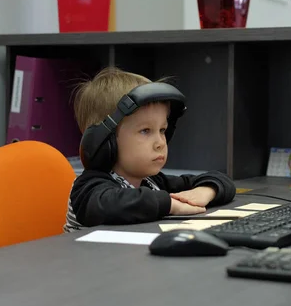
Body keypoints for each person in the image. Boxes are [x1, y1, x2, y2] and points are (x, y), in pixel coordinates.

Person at [64, 67, 235, 232]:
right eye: (145, 131)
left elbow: (221, 180)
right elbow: (109, 205)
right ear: (103, 140)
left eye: (162, 130)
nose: (160, 142)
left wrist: (206, 191)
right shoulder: (88, 187)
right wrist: (169, 204)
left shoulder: (152, 182)